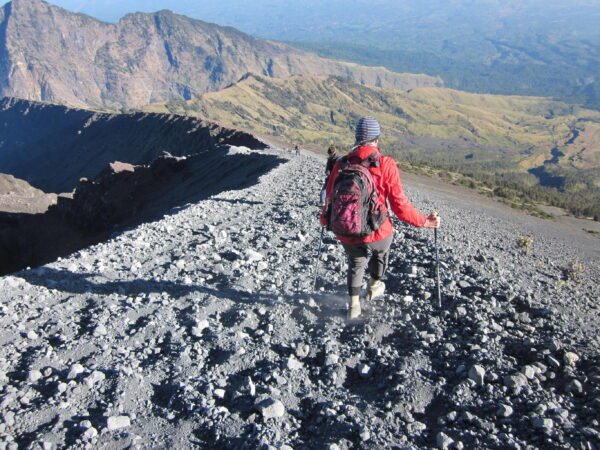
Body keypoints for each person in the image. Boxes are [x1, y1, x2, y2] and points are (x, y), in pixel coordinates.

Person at [320, 117, 440, 319]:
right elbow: (400, 207)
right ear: (377, 139)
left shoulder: (341, 163)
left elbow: (329, 197)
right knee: (381, 250)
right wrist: (425, 222)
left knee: (356, 261)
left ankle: (354, 306)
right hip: (377, 232)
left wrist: (325, 219)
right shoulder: (385, 164)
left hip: (346, 229)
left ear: (357, 137)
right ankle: (374, 284)